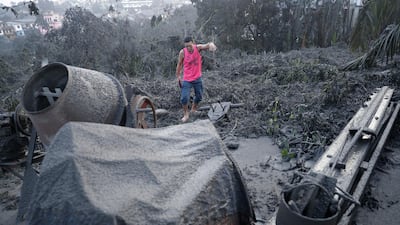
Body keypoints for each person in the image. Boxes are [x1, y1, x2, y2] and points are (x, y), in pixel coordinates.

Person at [175, 36, 217, 122]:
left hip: (197, 78)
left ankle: (193, 109)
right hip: (187, 79)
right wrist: (178, 76)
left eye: (190, 45)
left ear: (193, 43)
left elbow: (207, 45)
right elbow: (179, 64)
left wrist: (211, 45)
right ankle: (186, 114)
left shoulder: (198, 48)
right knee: (184, 98)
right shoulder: (182, 52)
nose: (188, 48)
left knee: (199, 96)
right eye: (186, 46)